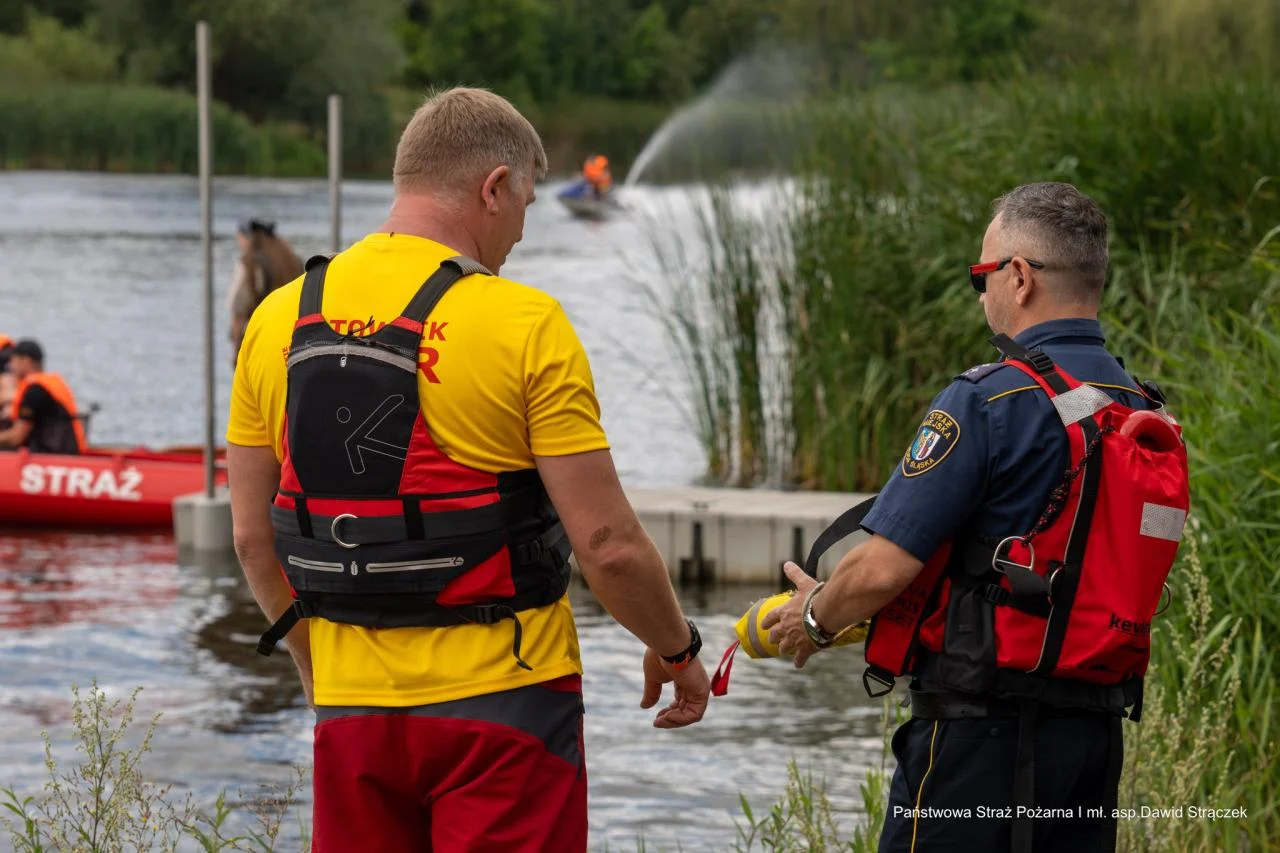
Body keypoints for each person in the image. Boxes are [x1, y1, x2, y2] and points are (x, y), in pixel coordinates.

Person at [227, 87, 710, 852]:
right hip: (507, 709)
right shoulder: (524, 322)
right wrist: (677, 647)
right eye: (521, 204)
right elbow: (608, 543)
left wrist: (321, 673)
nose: (519, 233)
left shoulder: (276, 318)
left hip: (353, 715)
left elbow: (255, 538)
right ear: (493, 187)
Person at [763, 182, 1188, 853]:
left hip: (976, 739)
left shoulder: (990, 398)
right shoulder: (1142, 412)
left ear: (1018, 277)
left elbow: (880, 566)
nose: (981, 293)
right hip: (1093, 740)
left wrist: (815, 617)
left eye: (980, 276)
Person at [227, 217, 303, 367]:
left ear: (247, 238)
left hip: (259, 344)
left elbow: (238, 311)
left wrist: (236, 354)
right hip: (293, 344)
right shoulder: (293, 261)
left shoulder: (249, 265)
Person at [0, 339, 87, 455]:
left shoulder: (35, 390)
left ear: (25, 361)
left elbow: (17, 437)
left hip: (51, 454)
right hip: (67, 449)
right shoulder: (51, 382)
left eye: (13, 361)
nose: (11, 366)